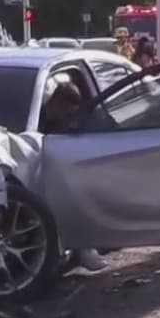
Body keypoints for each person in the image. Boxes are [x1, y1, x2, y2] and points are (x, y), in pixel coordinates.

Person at [39, 79, 109, 273]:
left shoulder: (85, 122)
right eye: (67, 110)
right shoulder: (41, 119)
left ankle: (84, 248)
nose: (69, 116)